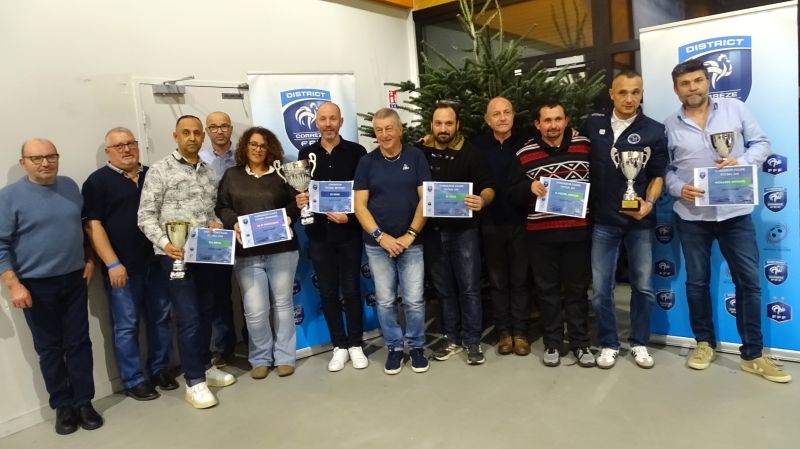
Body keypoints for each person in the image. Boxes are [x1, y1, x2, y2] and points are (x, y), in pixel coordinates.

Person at [664, 59, 791, 383]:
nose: (692, 87)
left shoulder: (735, 109)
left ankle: (753, 354)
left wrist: (742, 162)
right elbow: (664, 170)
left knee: (748, 282)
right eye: (684, 83)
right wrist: (678, 188)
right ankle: (704, 343)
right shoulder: (669, 125)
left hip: (735, 214)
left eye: (697, 80)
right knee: (697, 282)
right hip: (692, 216)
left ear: (707, 82)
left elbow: (762, 143)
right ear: (676, 89)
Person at [0, 139, 103, 435]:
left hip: (74, 280)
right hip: (35, 286)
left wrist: (89, 257)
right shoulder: (8, 197)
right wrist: (14, 285)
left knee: (80, 343)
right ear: (23, 163)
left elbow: (81, 227)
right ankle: (63, 407)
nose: (45, 163)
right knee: (49, 349)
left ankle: (84, 402)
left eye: (50, 156)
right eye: (36, 158)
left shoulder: (70, 186)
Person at [138, 115, 236, 409]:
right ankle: (194, 381)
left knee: (207, 312)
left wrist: (217, 223)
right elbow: (145, 216)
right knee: (189, 317)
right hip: (175, 257)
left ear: (202, 137)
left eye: (196, 133)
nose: (192, 137)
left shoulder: (208, 172)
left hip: (206, 254)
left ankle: (205, 366)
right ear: (176, 136)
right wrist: (165, 243)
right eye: (186, 133)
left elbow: (211, 211)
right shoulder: (160, 171)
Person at [581, 71, 668, 369]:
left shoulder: (654, 130)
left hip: (639, 222)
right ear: (611, 94)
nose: (629, 98)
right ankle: (608, 343)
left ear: (642, 93)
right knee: (601, 289)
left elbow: (658, 175)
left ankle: (639, 341)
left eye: (635, 92)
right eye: (623, 92)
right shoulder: (593, 125)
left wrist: (649, 203)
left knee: (643, 286)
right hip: (603, 221)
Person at [82, 127, 177, 401]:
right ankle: (134, 379)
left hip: (157, 262)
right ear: (108, 152)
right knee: (126, 326)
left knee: (161, 318)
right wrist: (112, 263)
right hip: (122, 269)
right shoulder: (97, 182)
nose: (126, 149)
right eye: (119, 146)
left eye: (130, 143)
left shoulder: (153, 174)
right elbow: (92, 226)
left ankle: (160, 369)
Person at [507, 102, 594, 368]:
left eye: (558, 119)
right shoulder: (524, 153)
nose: (553, 125)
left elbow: (599, 182)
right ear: (538, 124)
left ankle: (580, 343)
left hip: (578, 234)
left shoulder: (584, 146)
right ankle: (553, 342)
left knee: (577, 292)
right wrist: (528, 187)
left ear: (566, 120)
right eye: (547, 120)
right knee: (547, 292)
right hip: (541, 237)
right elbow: (510, 192)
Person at [216, 126, 301, 380]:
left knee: (283, 305)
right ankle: (261, 357)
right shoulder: (232, 175)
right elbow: (222, 206)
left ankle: (285, 357)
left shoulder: (281, 174)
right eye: (253, 144)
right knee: (255, 310)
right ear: (245, 147)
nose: (258, 149)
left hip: (282, 251)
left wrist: (289, 216)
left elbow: (295, 203)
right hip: (247, 254)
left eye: (263, 145)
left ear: (270, 149)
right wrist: (234, 223)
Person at [354, 108, 431, 375]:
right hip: (377, 245)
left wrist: (410, 234)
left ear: (400, 130)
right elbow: (359, 205)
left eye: (389, 128)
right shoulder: (366, 162)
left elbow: (425, 199)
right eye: (379, 130)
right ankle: (395, 348)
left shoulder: (416, 156)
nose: (384, 134)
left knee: (414, 300)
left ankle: (417, 346)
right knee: (386, 301)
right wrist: (381, 236)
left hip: (412, 242)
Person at [416, 101, 495, 365]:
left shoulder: (471, 153)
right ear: (431, 125)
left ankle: (472, 341)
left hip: (464, 232)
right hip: (432, 232)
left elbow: (488, 187)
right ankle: (451, 338)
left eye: (449, 123)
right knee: (444, 290)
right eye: (438, 123)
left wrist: (482, 200)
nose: (443, 128)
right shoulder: (420, 151)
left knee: (469, 288)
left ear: (457, 124)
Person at [294, 102, 368, 372]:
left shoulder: (357, 152)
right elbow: (303, 191)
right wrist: (301, 200)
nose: (328, 124)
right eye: (323, 119)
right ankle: (339, 346)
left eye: (332, 119)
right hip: (319, 234)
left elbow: (364, 192)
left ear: (341, 121)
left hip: (349, 232)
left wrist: (350, 217)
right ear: (316, 123)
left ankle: (356, 343)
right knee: (327, 291)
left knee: (351, 289)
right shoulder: (306, 154)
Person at [473, 96, 532, 356]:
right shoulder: (477, 146)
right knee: (497, 282)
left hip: (522, 222)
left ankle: (520, 332)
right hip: (490, 223)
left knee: (520, 280)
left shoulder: (527, 142)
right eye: (496, 114)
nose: (502, 117)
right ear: (487, 120)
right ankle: (504, 333)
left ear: (513, 115)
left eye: (507, 112)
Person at [199, 111, 238, 367]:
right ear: (207, 131)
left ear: (231, 129)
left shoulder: (244, 156)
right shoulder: (199, 159)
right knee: (218, 293)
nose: (219, 131)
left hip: (243, 230)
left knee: (250, 291)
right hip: (214, 233)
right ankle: (223, 348)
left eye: (224, 126)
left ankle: (254, 342)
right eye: (213, 127)